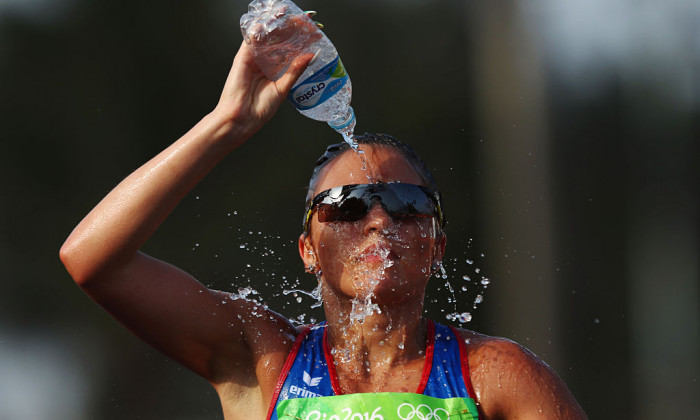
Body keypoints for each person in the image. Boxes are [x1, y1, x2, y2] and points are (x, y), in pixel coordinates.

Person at [60, 34, 588, 420]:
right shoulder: (263, 357)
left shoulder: (493, 375)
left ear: (436, 246)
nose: (379, 221)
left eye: (405, 204)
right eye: (346, 207)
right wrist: (226, 124)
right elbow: (93, 261)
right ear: (308, 249)